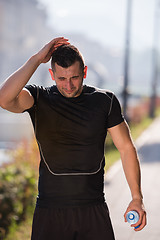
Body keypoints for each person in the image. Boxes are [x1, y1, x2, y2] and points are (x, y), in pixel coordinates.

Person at [0, 37, 146, 240]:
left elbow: (126, 148)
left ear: (84, 72)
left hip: (92, 209)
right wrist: (35, 59)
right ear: (52, 75)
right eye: (61, 79)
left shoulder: (105, 100)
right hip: (50, 211)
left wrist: (136, 198)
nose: (68, 86)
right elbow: (5, 99)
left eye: (74, 78)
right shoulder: (39, 98)